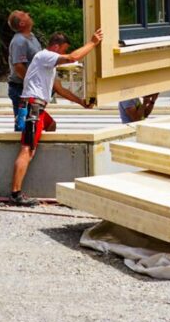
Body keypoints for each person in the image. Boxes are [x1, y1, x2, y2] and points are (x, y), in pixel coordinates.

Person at [9, 28, 103, 207]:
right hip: (32, 107)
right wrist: (92, 43)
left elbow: (60, 89)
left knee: (51, 125)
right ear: (56, 47)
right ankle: (15, 194)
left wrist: (81, 102)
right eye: (63, 49)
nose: (63, 54)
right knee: (26, 150)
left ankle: (23, 178)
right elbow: (72, 58)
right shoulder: (44, 56)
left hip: (38, 108)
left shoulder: (48, 67)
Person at [6, 10, 41, 121]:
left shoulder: (31, 37)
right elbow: (19, 67)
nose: (28, 13)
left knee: (33, 123)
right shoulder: (19, 41)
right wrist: (32, 83)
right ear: (22, 24)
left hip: (30, 88)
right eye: (24, 14)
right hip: (21, 89)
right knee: (24, 125)